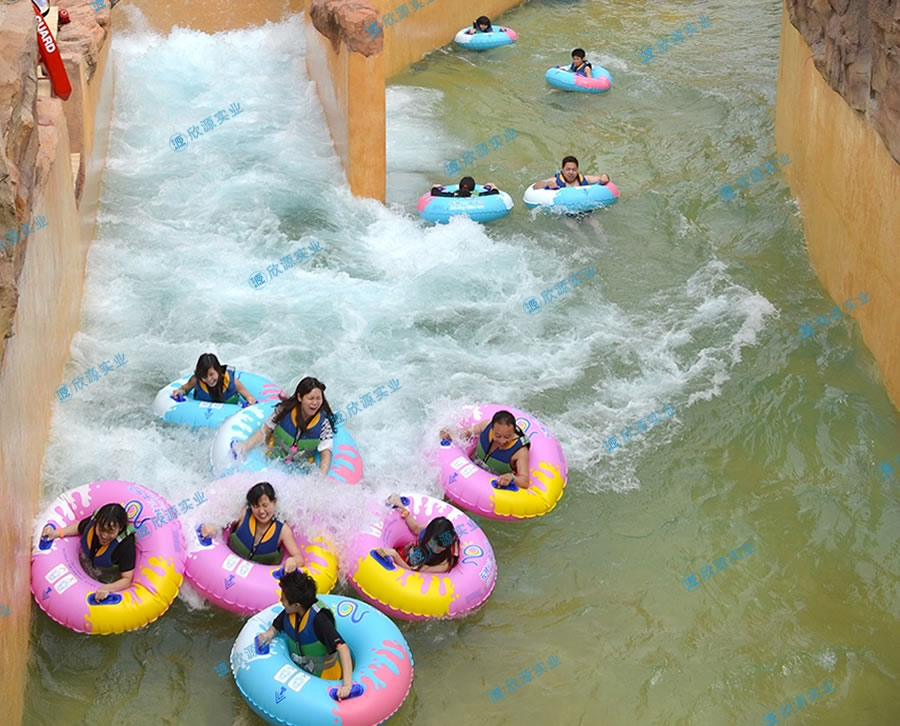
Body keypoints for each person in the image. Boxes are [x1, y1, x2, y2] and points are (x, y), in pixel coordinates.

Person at [256, 570, 354, 699]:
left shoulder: (320, 620)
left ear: (297, 605)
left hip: (323, 679)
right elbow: (277, 625)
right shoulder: (291, 612)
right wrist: (269, 633)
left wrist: (347, 685)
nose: (281, 600)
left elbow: (343, 648)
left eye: (283, 598)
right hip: (299, 670)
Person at [233, 377, 336, 475]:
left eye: (318, 398)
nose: (315, 403)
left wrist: (321, 477)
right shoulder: (283, 411)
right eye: (311, 398)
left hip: (300, 467)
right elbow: (265, 431)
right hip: (272, 459)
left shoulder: (323, 424)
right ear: (300, 397)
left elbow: (326, 452)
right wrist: (246, 446)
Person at [41, 503, 136, 601]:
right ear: (97, 523)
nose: (104, 535)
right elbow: (78, 527)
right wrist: (56, 533)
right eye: (101, 529)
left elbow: (127, 579)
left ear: (120, 528)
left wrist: (107, 588)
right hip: (86, 562)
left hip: (108, 573)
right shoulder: (94, 524)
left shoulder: (126, 545)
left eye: (110, 532)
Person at [200, 482, 305, 569]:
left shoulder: (283, 530)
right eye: (256, 506)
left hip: (257, 584)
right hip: (226, 566)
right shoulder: (243, 513)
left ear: (274, 502)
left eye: (265, 505)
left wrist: (293, 561)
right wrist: (212, 527)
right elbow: (222, 524)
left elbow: (299, 558)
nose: (261, 511)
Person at [441, 409, 531, 488]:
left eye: (507, 436)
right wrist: (451, 434)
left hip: (491, 485)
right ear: (492, 429)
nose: (502, 441)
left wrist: (512, 478)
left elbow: (524, 481)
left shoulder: (520, 451)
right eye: (498, 436)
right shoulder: (486, 426)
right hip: (472, 466)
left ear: (513, 432)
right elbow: (468, 431)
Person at [376, 495, 460, 572]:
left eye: (441, 548)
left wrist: (395, 555)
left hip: (423, 565)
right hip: (418, 553)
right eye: (433, 543)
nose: (436, 549)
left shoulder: (444, 563)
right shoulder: (431, 531)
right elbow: (415, 528)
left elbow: (413, 573)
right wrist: (401, 506)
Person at [170, 353, 257, 405]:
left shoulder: (233, 382)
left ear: (218, 370)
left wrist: (250, 400)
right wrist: (179, 392)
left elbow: (249, 397)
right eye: (204, 376)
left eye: (211, 374)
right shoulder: (196, 381)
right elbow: (184, 389)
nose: (208, 379)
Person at [531, 156, 611, 190]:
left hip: (584, 207)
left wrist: (604, 176)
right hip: (567, 211)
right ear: (562, 170)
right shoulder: (555, 180)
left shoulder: (584, 179)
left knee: (597, 224)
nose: (571, 172)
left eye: (574, 169)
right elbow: (536, 185)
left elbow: (600, 177)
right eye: (568, 169)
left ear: (577, 170)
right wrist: (547, 184)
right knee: (573, 225)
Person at [430, 176, 500, 198]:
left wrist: (435, 187)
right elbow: (495, 192)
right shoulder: (477, 195)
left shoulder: (453, 195)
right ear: (473, 188)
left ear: (460, 187)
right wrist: (492, 185)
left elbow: (434, 192)